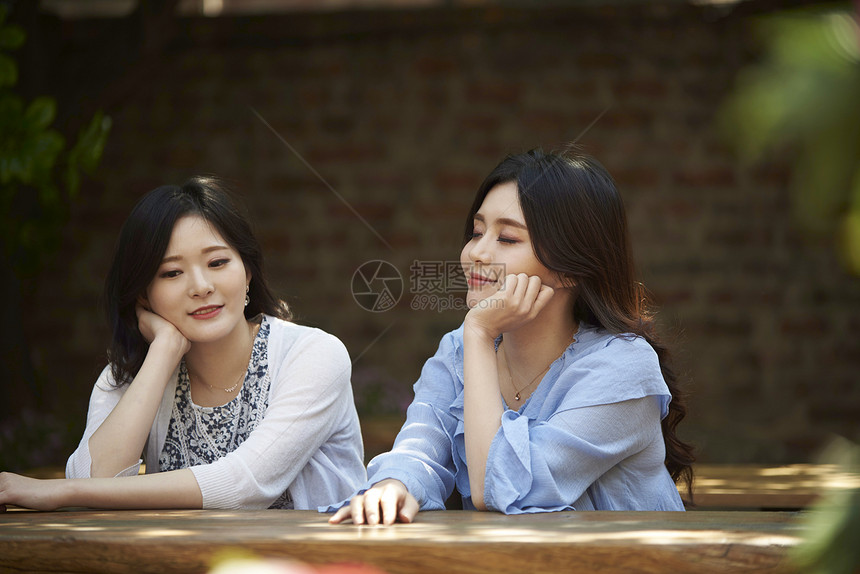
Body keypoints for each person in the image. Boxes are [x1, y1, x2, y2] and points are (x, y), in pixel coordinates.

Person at [329, 148, 695, 525]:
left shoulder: (622, 368)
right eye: (476, 232)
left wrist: (480, 331)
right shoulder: (459, 350)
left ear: (571, 268)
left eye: (506, 238)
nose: (476, 253)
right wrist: (394, 484)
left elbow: (499, 488)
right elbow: (420, 445)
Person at [0, 177, 365, 511]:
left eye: (218, 262)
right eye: (172, 272)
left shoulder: (312, 355)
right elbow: (94, 481)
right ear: (143, 293)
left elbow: (244, 485)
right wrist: (163, 352)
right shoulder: (130, 374)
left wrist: (63, 491)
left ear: (248, 271)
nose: (201, 286)